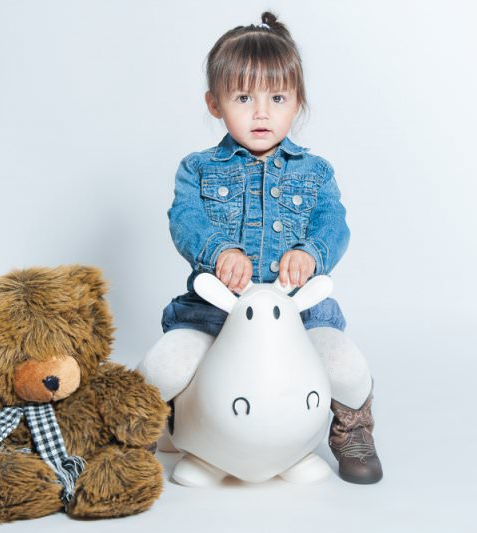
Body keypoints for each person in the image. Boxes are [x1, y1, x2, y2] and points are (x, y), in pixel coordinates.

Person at [138, 11, 382, 484]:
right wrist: (219, 251)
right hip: (216, 310)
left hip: (299, 310)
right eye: (243, 98)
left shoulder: (316, 172)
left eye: (277, 98)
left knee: (346, 364)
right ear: (214, 103)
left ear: (297, 102)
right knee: (163, 365)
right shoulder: (197, 169)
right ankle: (134, 433)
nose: (261, 113)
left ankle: (354, 429)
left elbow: (334, 223)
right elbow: (185, 220)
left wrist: (311, 253)